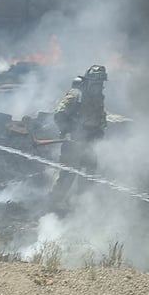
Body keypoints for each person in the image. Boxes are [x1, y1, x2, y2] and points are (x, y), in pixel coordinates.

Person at [50, 64, 108, 205]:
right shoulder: (76, 94)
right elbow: (59, 114)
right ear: (88, 82)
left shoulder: (98, 98)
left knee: (89, 174)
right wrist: (68, 131)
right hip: (73, 143)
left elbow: (100, 118)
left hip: (89, 143)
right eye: (95, 83)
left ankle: (80, 205)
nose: (98, 87)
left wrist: (99, 131)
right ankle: (52, 204)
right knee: (68, 175)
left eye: (100, 83)